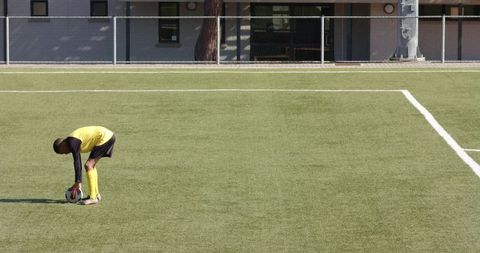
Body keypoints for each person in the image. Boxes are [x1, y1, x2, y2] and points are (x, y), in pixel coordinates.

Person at [53, 126, 116, 205]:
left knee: (88, 165)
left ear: (62, 145)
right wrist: (78, 182)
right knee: (91, 166)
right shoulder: (72, 141)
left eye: (62, 152)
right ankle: (96, 195)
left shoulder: (72, 142)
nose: (65, 154)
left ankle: (92, 198)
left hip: (104, 137)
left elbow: (77, 162)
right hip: (107, 136)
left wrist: (78, 182)